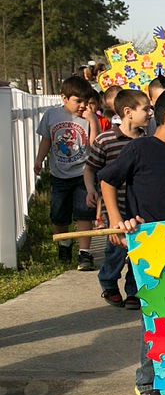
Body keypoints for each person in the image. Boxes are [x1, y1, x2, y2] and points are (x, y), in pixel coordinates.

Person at [98, 88, 165, 395]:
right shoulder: (140, 149)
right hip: (150, 247)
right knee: (158, 319)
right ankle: (146, 383)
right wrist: (116, 219)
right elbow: (108, 180)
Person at [84, 89, 152, 309]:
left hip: (138, 207)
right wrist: (90, 190)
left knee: (138, 251)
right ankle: (109, 282)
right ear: (128, 112)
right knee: (115, 249)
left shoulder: (148, 141)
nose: (150, 113)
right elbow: (91, 168)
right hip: (115, 206)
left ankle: (134, 290)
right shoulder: (106, 140)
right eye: (146, 109)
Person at [33, 75, 99, 269]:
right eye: (78, 101)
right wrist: (39, 160)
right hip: (59, 175)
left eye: (85, 102)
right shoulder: (52, 116)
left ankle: (84, 253)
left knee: (84, 213)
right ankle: (64, 244)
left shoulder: (87, 118)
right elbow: (46, 140)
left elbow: (94, 145)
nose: (82, 106)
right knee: (58, 215)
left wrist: (92, 121)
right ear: (64, 98)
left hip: (83, 174)